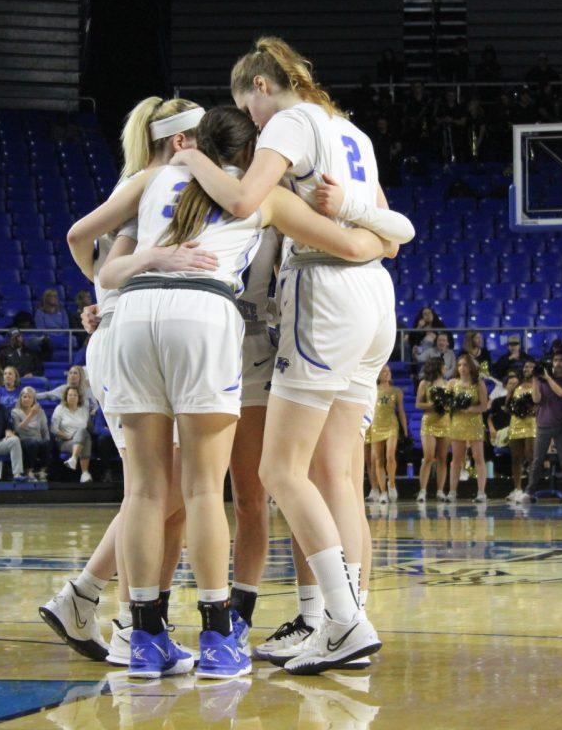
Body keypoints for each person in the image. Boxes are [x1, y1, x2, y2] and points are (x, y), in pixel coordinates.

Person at [80, 101, 405, 677]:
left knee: (146, 493)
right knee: (206, 490)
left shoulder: (154, 176)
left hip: (129, 314)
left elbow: (84, 240)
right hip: (204, 314)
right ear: (250, 155)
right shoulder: (263, 197)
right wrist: (378, 237)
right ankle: (219, 636)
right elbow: (356, 246)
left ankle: (142, 636)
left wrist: (125, 280)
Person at [170, 39, 414, 674]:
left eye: (245, 106)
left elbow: (246, 200)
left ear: (259, 85)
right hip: (374, 302)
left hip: (325, 294)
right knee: (338, 476)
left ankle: (346, 622)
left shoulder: (290, 119)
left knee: (280, 472)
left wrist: (194, 157)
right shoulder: (349, 129)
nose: (251, 124)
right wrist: (360, 236)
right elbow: (388, 232)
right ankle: (341, 619)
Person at [40, 95, 205, 667]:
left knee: (175, 497)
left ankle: (130, 616)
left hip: (132, 331)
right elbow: (79, 239)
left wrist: (102, 292)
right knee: (154, 491)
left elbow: (91, 250)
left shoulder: (149, 179)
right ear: (182, 139)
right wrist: (106, 296)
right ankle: (110, 612)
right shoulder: (152, 181)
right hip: (130, 337)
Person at [518, 352, 562, 503]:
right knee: (537, 460)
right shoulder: (542, 381)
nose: (558, 363)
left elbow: (561, 393)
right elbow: (536, 399)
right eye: (555, 360)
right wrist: (535, 380)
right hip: (543, 425)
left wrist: (548, 378)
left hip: (561, 425)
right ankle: (529, 491)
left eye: (561, 360)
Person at [446, 354, 490, 502]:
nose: (462, 368)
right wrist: (453, 406)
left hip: (474, 422)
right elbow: (446, 404)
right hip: (457, 423)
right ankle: (452, 492)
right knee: (456, 459)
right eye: (459, 365)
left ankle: (481, 492)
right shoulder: (452, 383)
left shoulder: (479, 384)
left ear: (471, 367)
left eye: (465, 365)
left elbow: (484, 406)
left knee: (478, 457)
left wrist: (469, 409)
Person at [365, 365, 406, 504]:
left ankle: (392, 483)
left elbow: (401, 411)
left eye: (388, 371)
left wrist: (405, 430)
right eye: (383, 371)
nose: (386, 373)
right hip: (376, 426)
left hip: (391, 425)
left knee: (390, 456)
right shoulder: (371, 391)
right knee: (378, 460)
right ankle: (383, 492)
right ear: (378, 374)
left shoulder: (396, 390)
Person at [415, 358, 450, 503]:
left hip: (445, 422)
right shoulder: (425, 383)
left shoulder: (448, 385)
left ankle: (440, 491)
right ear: (438, 367)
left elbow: (451, 405)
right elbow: (418, 404)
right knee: (428, 456)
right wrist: (433, 405)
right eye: (444, 365)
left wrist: (447, 406)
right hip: (429, 422)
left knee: (442, 458)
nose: (446, 368)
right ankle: (422, 491)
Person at [503, 366, 537, 501]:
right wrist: (510, 395)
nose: (527, 368)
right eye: (525, 367)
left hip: (532, 424)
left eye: (530, 366)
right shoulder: (516, 386)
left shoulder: (538, 386)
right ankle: (517, 489)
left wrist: (531, 409)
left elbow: (541, 404)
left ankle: (530, 489)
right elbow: (507, 406)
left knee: (531, 457)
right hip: (516, 424)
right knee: (516, 458)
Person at [51, 384, 93, 482]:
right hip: (65, 441)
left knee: (83, 434)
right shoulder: (60, 409)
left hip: (79, 440)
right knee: (85, 437)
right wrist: (68, 436)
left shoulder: (83, 410)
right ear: (66, 396)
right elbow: (53, 429)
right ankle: (84, 472)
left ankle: (74, 460)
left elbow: (88, 427)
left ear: (79, 397)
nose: (72, 397)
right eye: (70, 395)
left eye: (75, 395)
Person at [12, 386, 50, 481]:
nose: (27, 399)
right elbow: (18, 430)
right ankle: (29, 471)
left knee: (46, 442)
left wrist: (47, 440)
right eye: (24, 397)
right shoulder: (15, 412)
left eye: (30, 397)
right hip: (23, 439)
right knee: (32, 443)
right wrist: (31, 414)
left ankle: (42, 471)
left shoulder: (40, 412)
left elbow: (45, 429)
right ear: (20, 398)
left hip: (38, 438)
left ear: (34, 400)